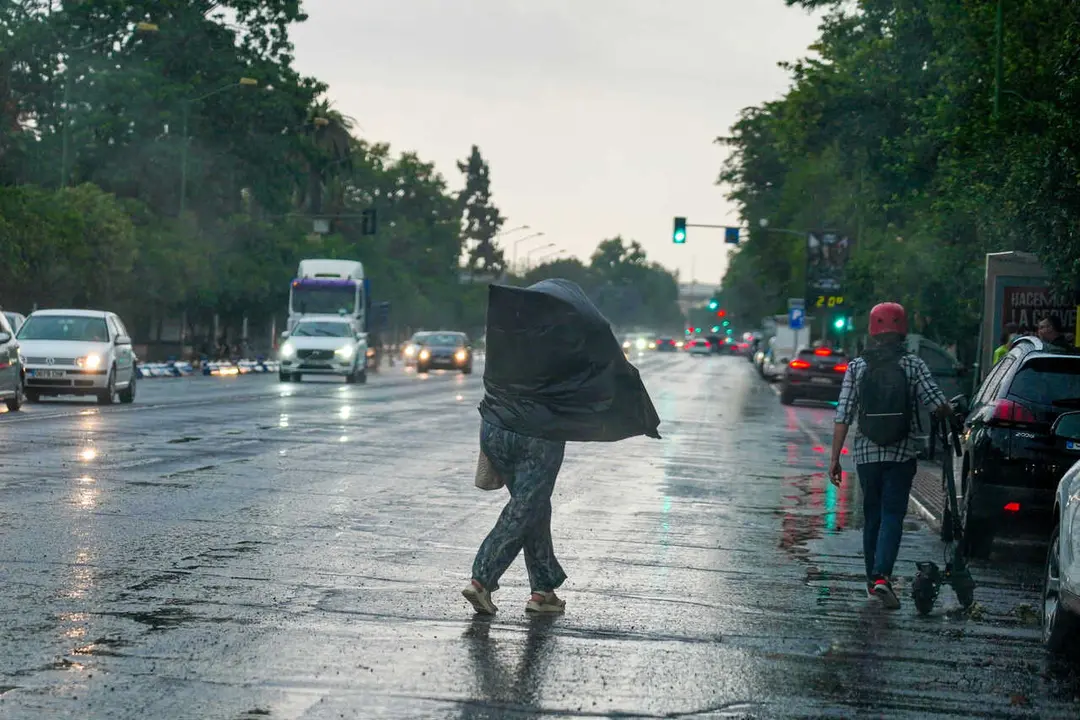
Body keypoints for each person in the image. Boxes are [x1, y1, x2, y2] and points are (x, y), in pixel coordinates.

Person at [828, 302, 952, 609]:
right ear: (902, 329)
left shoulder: (857, 367)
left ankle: (874, 581)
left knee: (872, 516)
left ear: (872, 330)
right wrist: (949, 410)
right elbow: (936, 403)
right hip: (901, 453)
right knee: (892, 515)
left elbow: (843, 414)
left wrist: (834, 459)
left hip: (866, 454)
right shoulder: (913, 365)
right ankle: (883, 575)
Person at [462, 421, 568, 615]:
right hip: (538, 432)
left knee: (533, 505)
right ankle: (481, 580)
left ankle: (542, 592)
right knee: (525, 506)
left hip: (495, 430)